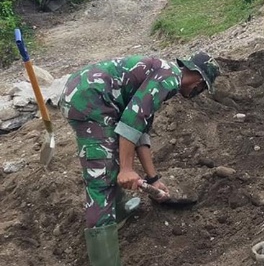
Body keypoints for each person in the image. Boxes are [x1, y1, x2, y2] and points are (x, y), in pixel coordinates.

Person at [59, 52, 220, 266]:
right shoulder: (169, 79)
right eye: (202, 89)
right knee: (101, 180)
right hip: (91, 99)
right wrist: (126, 168)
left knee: (113, 156)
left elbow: (140, 128)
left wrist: (153, 179)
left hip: (92, 94)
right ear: (199, 81)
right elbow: (131, 121)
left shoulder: (165, 74)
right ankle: (105, 260)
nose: (197, 93)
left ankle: (118, 212)